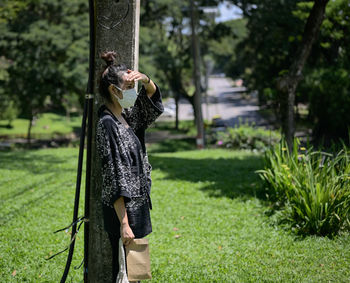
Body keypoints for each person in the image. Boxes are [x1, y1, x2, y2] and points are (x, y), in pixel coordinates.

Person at [95, 51, 164, 282]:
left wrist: (145, 79)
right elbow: (113, 176)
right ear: (114, 91)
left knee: (133, 272)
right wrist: (124, 224)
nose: (134, 91)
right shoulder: (107, 124)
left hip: (137, 205)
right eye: (129, 86)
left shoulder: (127, 115)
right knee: (123, 271)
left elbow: (152, 103)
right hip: (122, 213)